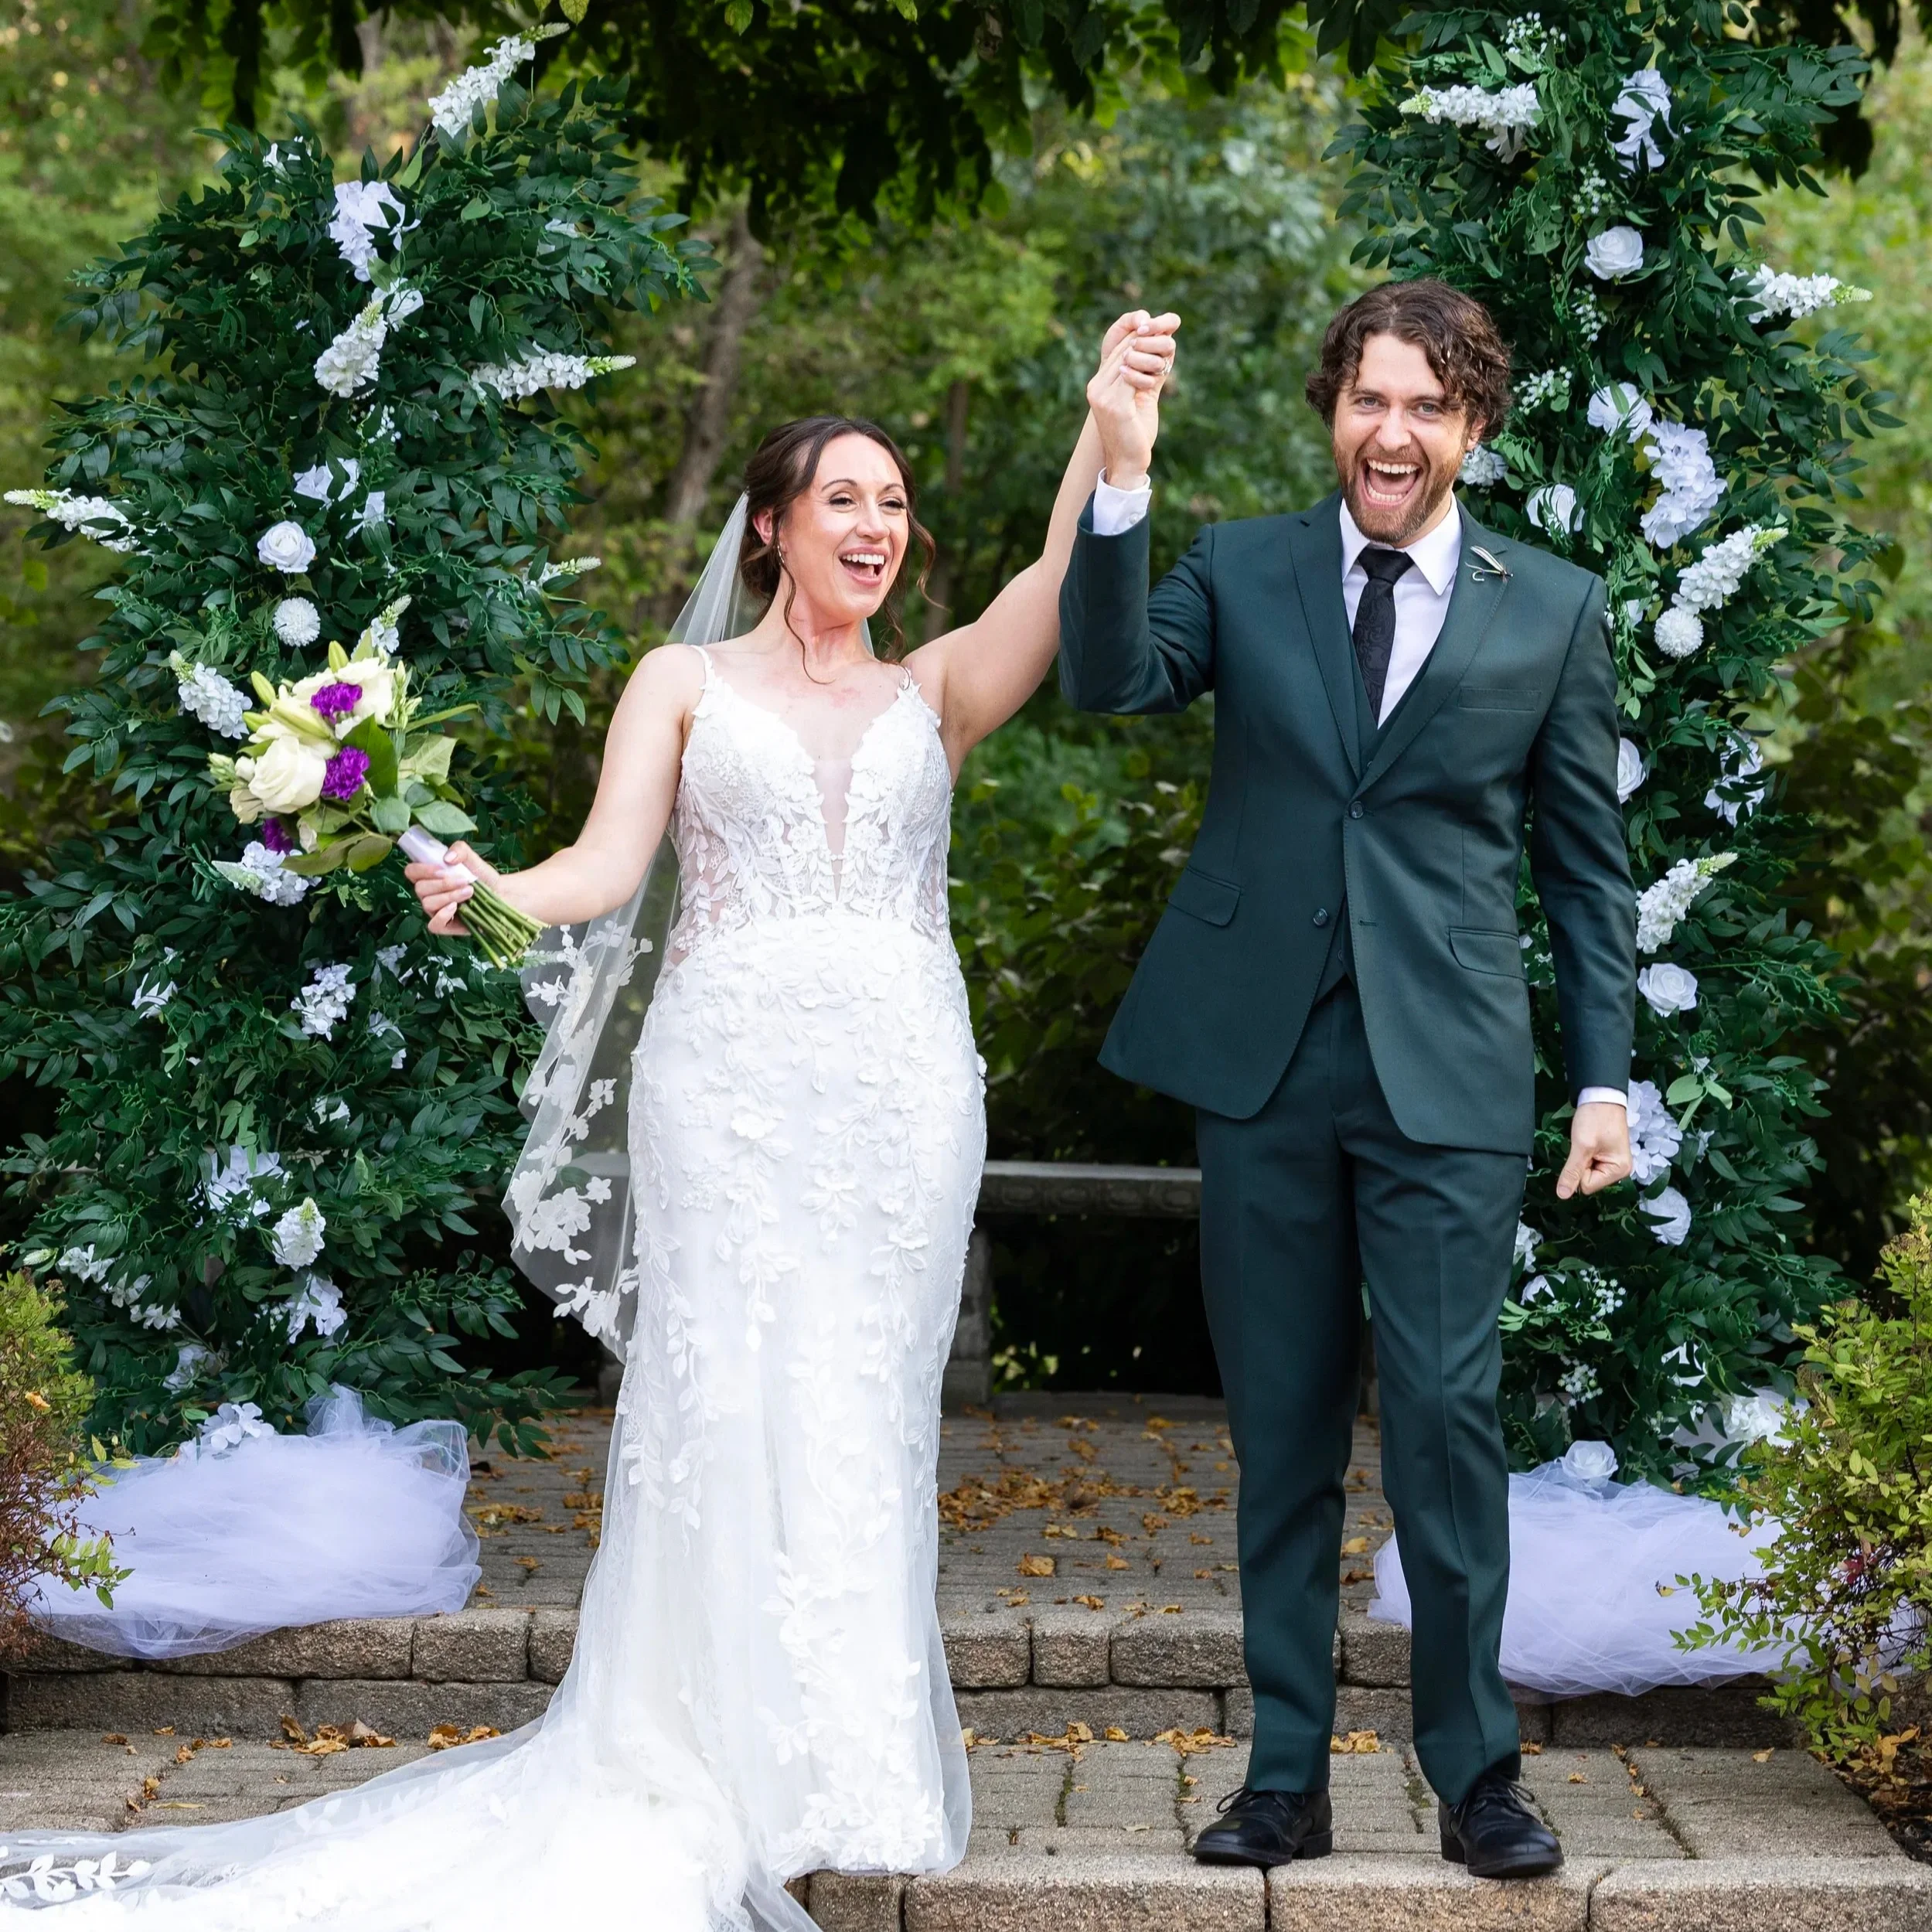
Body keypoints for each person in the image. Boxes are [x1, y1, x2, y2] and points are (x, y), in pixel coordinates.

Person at [0, 314, 1177, 1927]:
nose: (875, 528)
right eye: (843, 499)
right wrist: (488, 890)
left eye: (893, 503)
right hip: (728, 1087)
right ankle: (710, 1758)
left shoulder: (937, 689)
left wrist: (1109, 421)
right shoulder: (682, 682)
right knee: (730, 1399)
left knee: (863, 1409)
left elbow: (1058, 571)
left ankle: (850, 1772)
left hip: (905, 1094)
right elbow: (604, 866)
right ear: (770, 527)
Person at [1057, 278, 1637, 1880]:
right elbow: (1108, 679)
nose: (1393, 431)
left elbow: (1586, 872)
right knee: (1284, 1431)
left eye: (1426, 407)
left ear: (1473, 427)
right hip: (1261, 1062)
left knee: (1446, 1421)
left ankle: (1479, 1777)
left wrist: (1604, 1083)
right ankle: (1284, 1777)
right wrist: (1121, 467)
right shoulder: (1239, 566)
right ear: (1333, 408)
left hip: (1447, 1070)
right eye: (1368, 398)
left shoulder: (1552, 607)